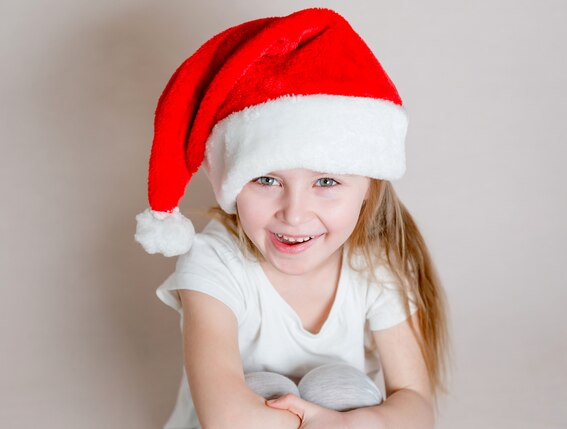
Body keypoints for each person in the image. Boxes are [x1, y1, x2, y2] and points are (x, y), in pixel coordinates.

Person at [135, 7, 449, 429]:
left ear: (369, 187)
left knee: (343, 390)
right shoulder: (213, 261)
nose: (295, 213)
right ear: (231, 182)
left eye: (326, 182)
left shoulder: (379, 265)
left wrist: (342, 422)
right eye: (266, 179)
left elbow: (416, 406)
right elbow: (226, 418)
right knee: (262, 388)